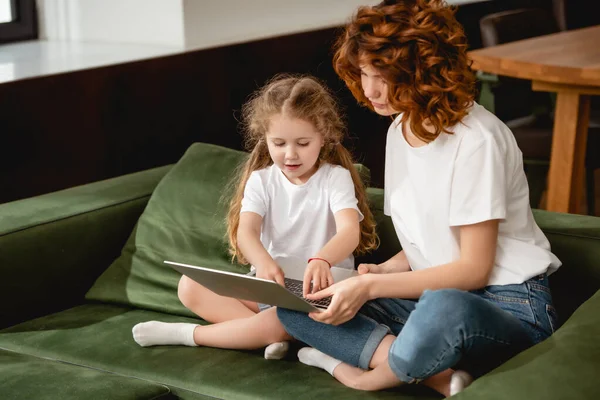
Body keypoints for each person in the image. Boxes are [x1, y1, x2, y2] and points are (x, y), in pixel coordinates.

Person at [276, 0, 562, 396]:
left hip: (506, 305)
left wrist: (372, 290)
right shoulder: (399, 130)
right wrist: (384, 272)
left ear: (424, 72)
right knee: (300, 305)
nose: (369, 89)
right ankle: (434, 371)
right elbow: (425, 243)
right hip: (431, 299)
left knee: (442, 308)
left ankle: (361, 374)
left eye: (383, 76)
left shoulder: (477, 140)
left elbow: (474, 270)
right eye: (363, 72)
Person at [131, 74, 378, 361]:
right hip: (273, 291)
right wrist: (262, 261)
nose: (290, 154)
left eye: (302, 143)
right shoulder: (262, 181)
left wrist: (322, 259)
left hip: (320, 293)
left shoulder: (335, 178)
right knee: (189, 286)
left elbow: (349, 231)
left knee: (282, 318)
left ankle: (189, 335)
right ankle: (267, 336)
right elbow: (246, 233)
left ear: (323, 138)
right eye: (279, 143)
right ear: (265, 139)